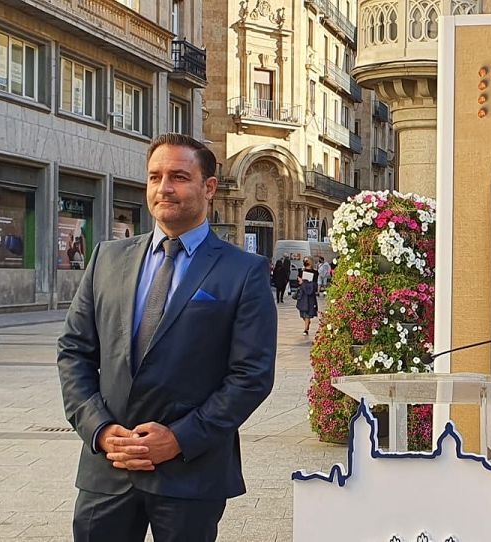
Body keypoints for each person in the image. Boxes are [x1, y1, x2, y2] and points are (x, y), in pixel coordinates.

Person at [57, 133, 277, 542]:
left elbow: (251, 376)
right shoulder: (108, 258)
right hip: (108, 469)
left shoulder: (243, 271)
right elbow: (74, 351)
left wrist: (178, 439)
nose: (164, 188)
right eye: (155, 176)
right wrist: (101, 430)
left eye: (178, 176)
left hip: (189, 474)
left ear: (208, 187)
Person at [296, 257, 319, 335]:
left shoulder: (315, 272)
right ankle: (307, 322)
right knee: (302, 312)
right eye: (304, 260)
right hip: (302, 294)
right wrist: (300, 282)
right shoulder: (301, 271)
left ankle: (305, 329)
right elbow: (298, 282)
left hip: (310, 294)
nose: (305, 262)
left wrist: (305, 282)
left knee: (307, 313)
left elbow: (315, 283)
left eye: (307, 260)